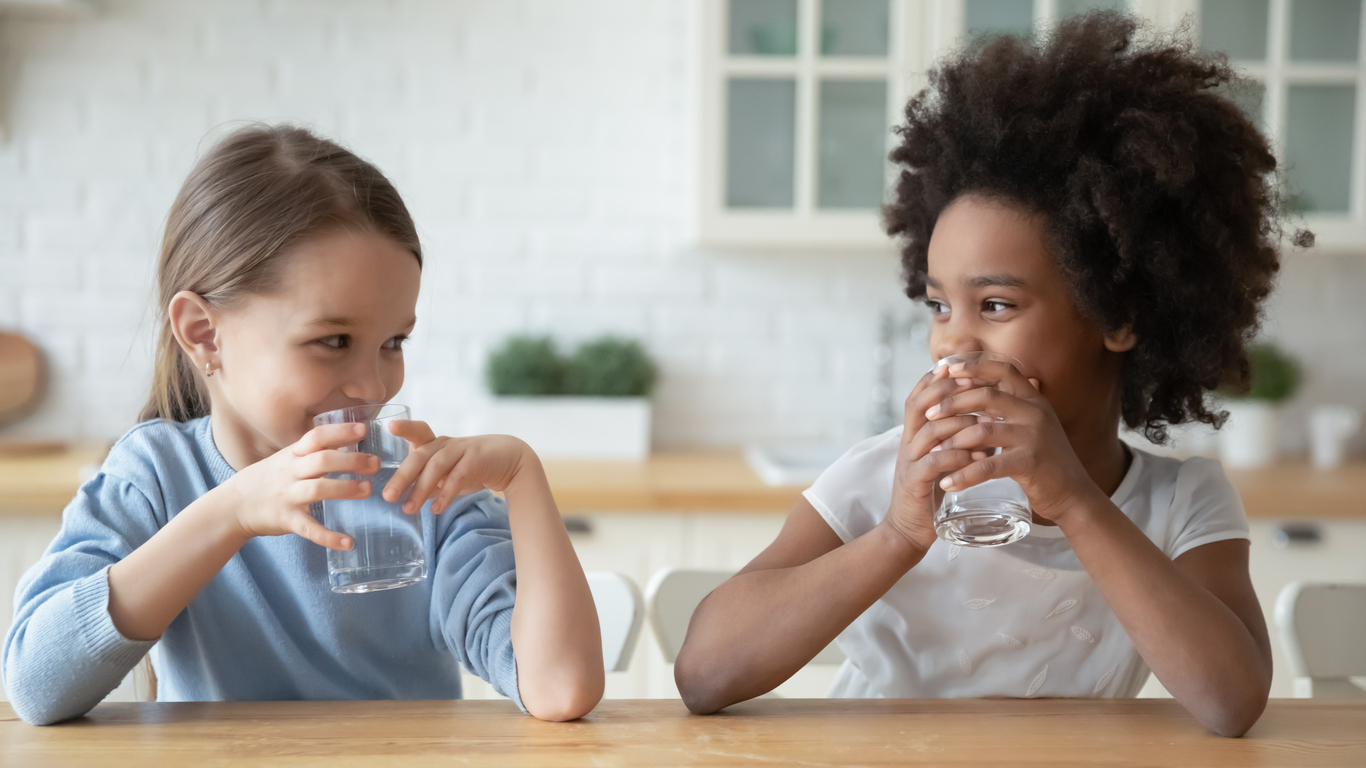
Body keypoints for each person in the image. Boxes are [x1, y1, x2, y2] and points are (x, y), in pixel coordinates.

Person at [674, 11, 1302, 737]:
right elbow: (703, 672)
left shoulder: (1182, 502)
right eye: (940, 305)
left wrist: (1073, 500)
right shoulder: (882, 480)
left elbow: (1232, 702)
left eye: (996, 304)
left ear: (1120, 316)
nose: (954, 342)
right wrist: (899, 536)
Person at [3, 124, 604, 725]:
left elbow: (560, 689)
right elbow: (35, 685)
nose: (373, 387)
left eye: (393, 341)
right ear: (204, 333)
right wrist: (231, 512)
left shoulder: (422, 488)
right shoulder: (157, 476)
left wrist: (524, 477)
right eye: (333, 340)